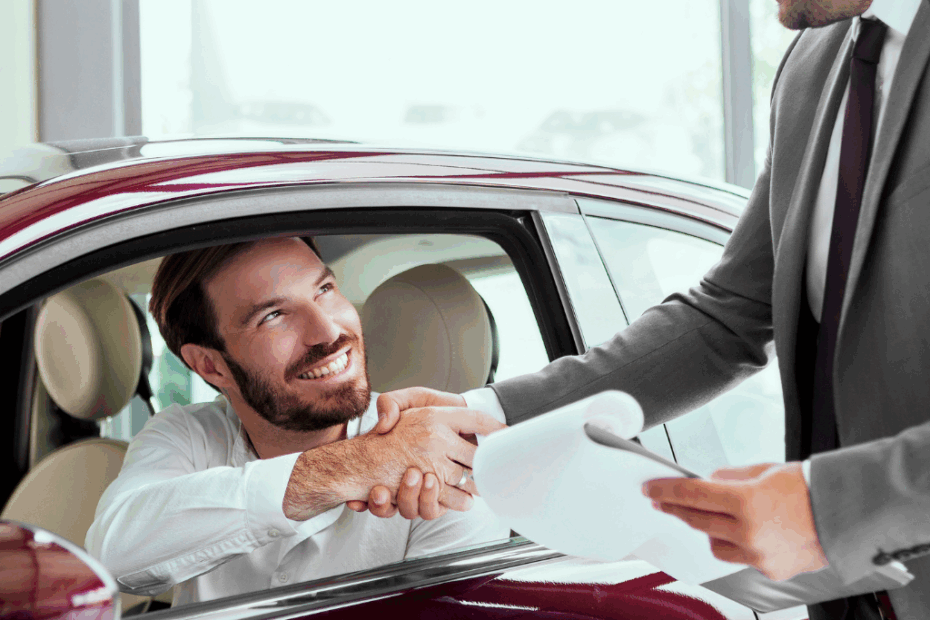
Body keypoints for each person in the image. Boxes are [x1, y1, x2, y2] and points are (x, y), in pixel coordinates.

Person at [362, 1, 930, 618]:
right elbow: (727, 315)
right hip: (848, 595)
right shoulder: (815, 62)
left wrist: (830, 506)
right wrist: (486, 412)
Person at [85, 236, 507, 606]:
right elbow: (114, 556)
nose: (326, 332)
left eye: (324, 289)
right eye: (273, 316)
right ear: (212, 367)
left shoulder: (446, 461)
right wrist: (352, 466)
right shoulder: (188, 433)